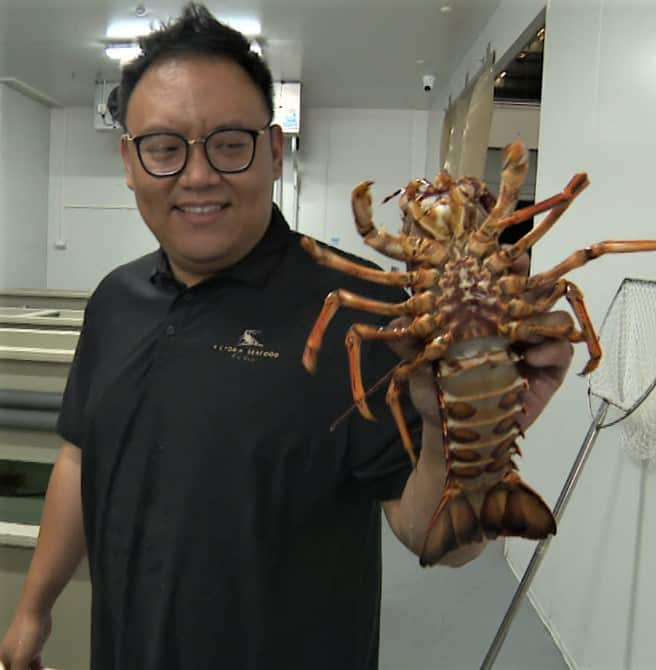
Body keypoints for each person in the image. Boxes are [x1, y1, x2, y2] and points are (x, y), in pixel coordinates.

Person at [0, 4, 573, 669]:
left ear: (273, 150)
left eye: (230, 143)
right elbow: (78, 456)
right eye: (164, 148)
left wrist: (467, 433)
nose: (197, 175)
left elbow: (437, 540)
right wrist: (34, 607)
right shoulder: (113, 301)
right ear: (130, 161)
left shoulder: (370, 310)